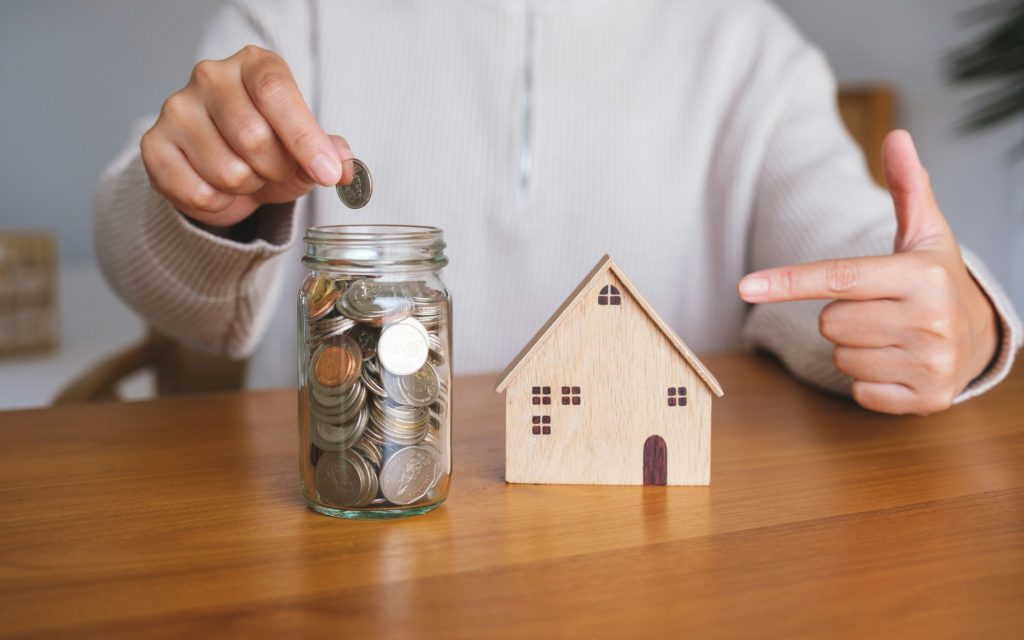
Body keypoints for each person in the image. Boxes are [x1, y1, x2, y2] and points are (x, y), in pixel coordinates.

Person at [95, 0, 1021, 415]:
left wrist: (962, 320)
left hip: (658, 541)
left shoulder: (745, 43)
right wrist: (210, 206)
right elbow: (181, 301)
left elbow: (844, 258)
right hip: (350, 535)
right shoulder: (304, 14)